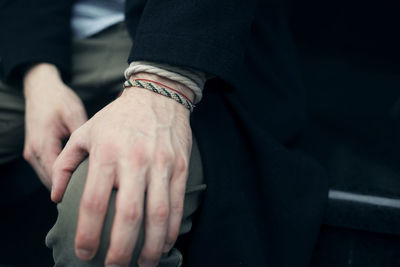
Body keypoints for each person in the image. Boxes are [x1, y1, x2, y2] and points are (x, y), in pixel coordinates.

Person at [0, 0, 328, 266]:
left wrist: (164, 81)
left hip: (185, 40)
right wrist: (37, 73)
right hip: (48, 37)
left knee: (107, 225)